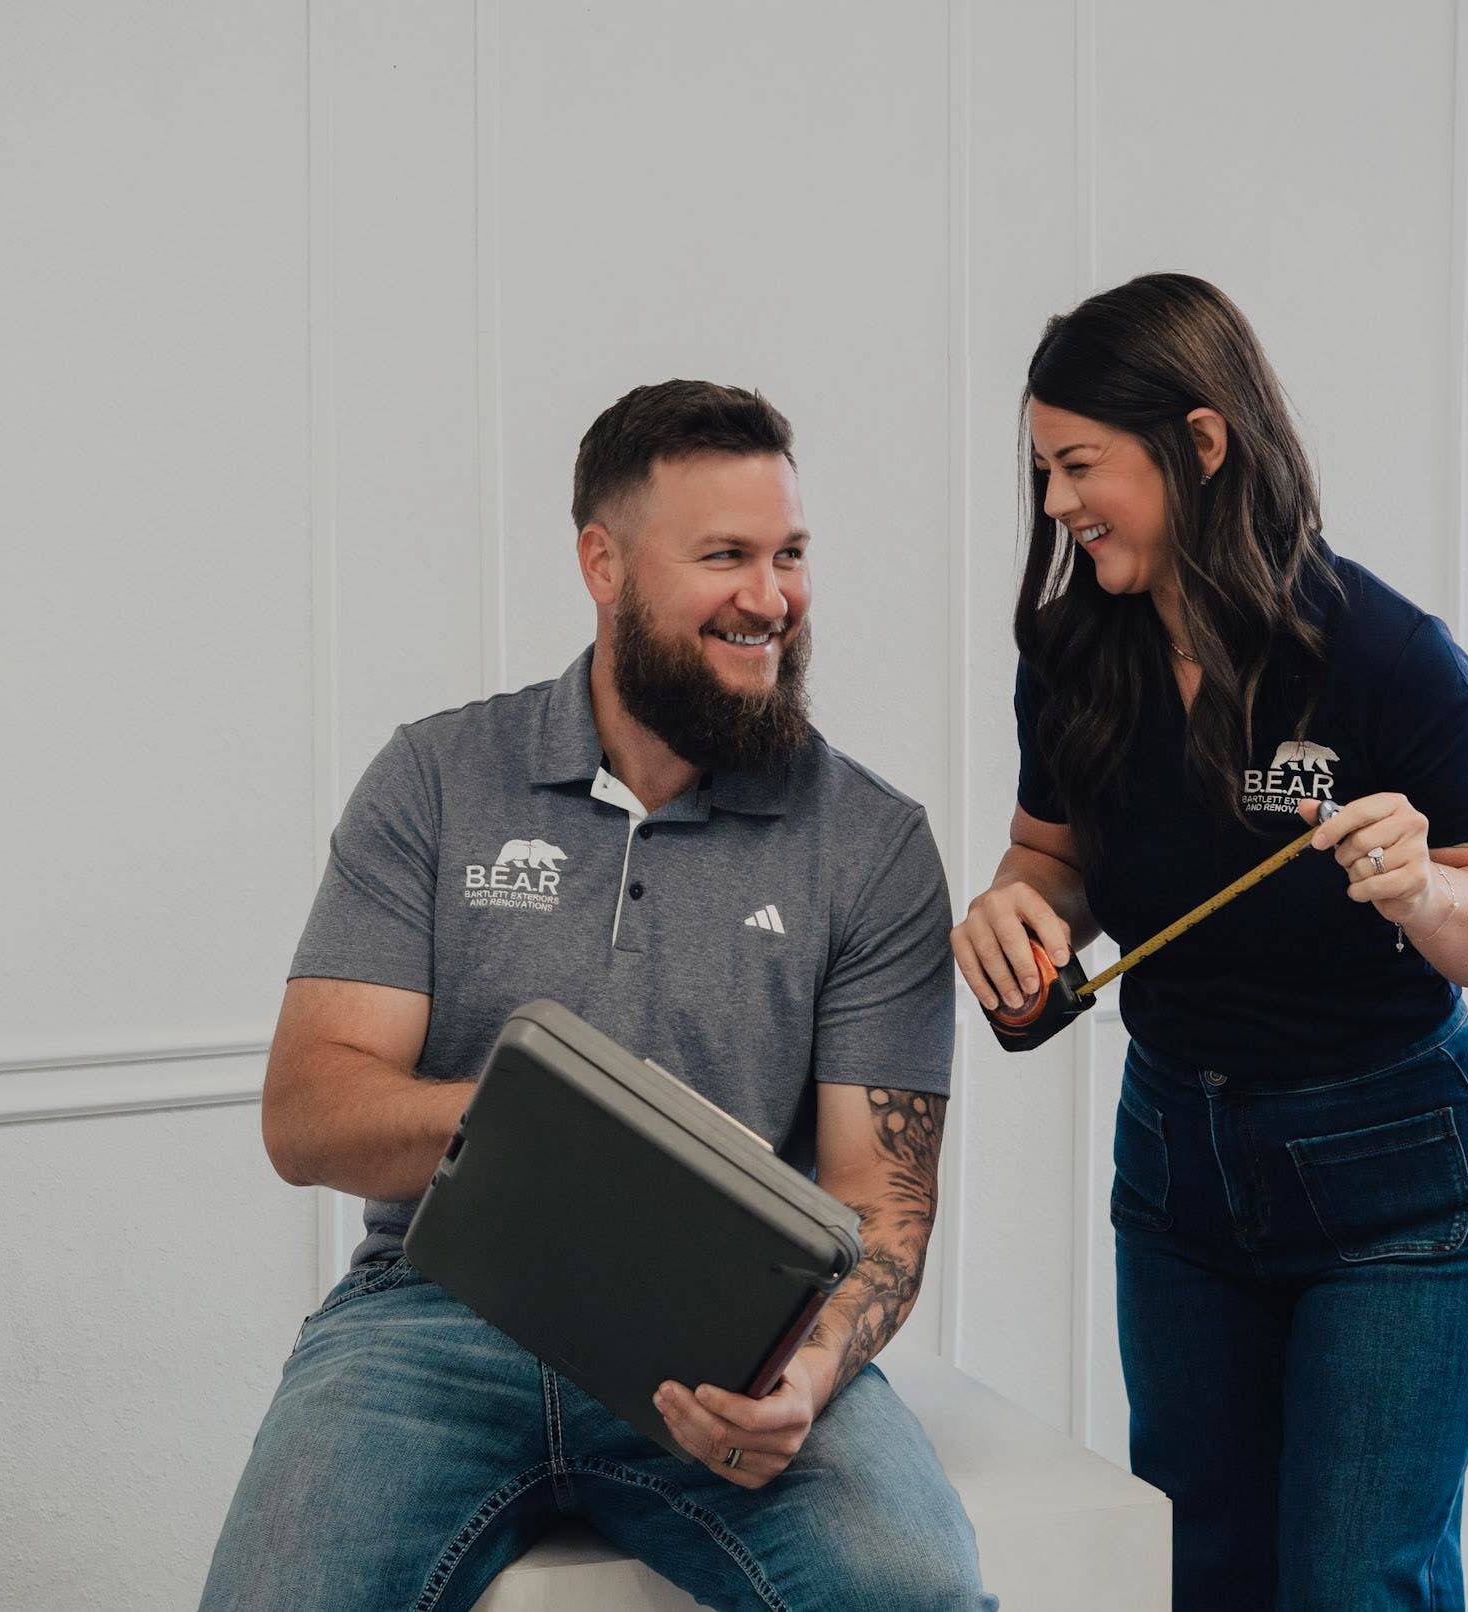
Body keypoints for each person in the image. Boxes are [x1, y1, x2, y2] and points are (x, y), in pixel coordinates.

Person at [202, 380, 995, 1611]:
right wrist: (544, 1126)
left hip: (731, 1344)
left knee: (915, 1587)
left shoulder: (872, 843)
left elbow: (878, 1202)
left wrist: (808, 1374)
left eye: (787, 555)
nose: (769, 598)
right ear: (603, 563)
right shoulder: (435, 778)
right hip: (432, 1315)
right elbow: (308, 1113)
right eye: (724, 556)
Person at [951, 274, 1468, 1611]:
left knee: (1352, 1586)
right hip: (1180, 1174)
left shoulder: (1383, 656)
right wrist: (1021, 916)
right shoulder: (1071, 652)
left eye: (1078, 466)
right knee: (1208, 1574)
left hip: (1404, 1183)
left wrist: (1428, 896)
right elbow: (1052, 857)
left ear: (1202, 444)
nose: (1054, 502)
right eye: (1043, 469)